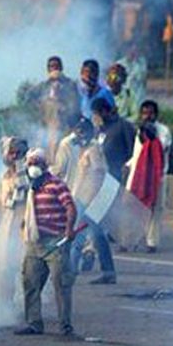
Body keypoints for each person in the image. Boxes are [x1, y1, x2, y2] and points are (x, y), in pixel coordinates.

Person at [16, 148, 77, 336]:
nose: (34, 166)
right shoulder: (30, 187)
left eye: (37, 162)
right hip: (35, 243)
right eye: (31, 162)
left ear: (45, 165)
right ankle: (34, 323)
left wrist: (68, 228)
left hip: (55, 242)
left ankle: (65, 326)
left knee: (61, 285)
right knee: (30, 283)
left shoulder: (56, 184)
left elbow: (70, 207)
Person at [53, 119, 115, 284]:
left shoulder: (93, 150)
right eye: (77, 130)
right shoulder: (85, 149)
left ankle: (72, 271)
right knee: (95, 235)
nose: (79, 135)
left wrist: (93, 200)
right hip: (82, 197)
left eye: (82, 131)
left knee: (80, 235)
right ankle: (108, 272)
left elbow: (99, 172)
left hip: (89, 200)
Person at [124, 100, 172, 252]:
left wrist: (152, 136)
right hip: (138, 174)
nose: (147, 116)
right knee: (134, 207)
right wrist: (128, 165)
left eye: (150, 113)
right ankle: (131, 240)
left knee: (155, 209)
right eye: (144, 113)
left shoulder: (163, 131)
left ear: (156, 115)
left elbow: (162, 147)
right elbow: (137, 154)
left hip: (157, 176)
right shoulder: (139, 131)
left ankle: (152, 242)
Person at [0, 137, 29, 303]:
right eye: (9, 153)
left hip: (24, 228)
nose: (11, 157)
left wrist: (21, 168)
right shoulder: (5, 177)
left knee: (25, 270)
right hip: (7, 230)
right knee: (4, 269)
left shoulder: (30, 174)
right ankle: (6, 306)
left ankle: (29, 306)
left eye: (15, 153)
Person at [17, 56, 81, 161]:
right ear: (48, 69)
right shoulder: (44, 86)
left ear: (61, 68)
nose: (54, 69)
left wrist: (62, 98)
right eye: (52, 67)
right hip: (48, 127)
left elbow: (75, 106)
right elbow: (28, 98)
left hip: (66, 126)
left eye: (57, 66)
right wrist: (41, 104)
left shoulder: (70, 84)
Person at [91, 98, 135, 184]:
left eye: (96, 113)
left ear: (103, 111)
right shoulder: (99, 128)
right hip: (102, 175)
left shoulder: (123, 125)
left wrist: (127, 166)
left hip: (118, 173)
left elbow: (132, 149)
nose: (94, 117)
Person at [116, 42, 148, 111]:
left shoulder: (141, 62)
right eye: (131, 51)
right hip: (125, 97)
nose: (133, 53)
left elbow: (143, 78)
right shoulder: (120, 63)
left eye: (135, 51)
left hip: (139, 95)